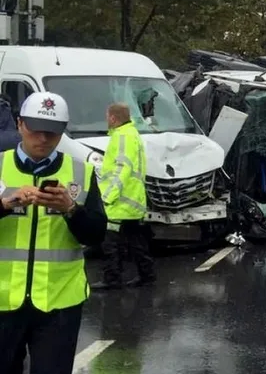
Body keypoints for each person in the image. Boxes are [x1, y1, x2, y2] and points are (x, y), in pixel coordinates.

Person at [0, 91, 107, 374]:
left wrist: (71, 209)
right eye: (36, 130)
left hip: (59, 304)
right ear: (20, 124)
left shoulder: (81, 172)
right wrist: (4, 205)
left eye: (53, 132)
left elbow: (96, 236)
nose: (43, 139)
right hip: (2, 302)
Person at [92, 102, 155, 290]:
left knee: (110, 242)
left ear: (113, 118)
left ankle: (112, 279)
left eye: (107, 116)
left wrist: (108, 196)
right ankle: (147, 276)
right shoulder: (132, 134)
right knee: (136, 241)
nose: (106, 120)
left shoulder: (121, 136)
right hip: (133, 200)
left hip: (119, 202)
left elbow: (122, 168)